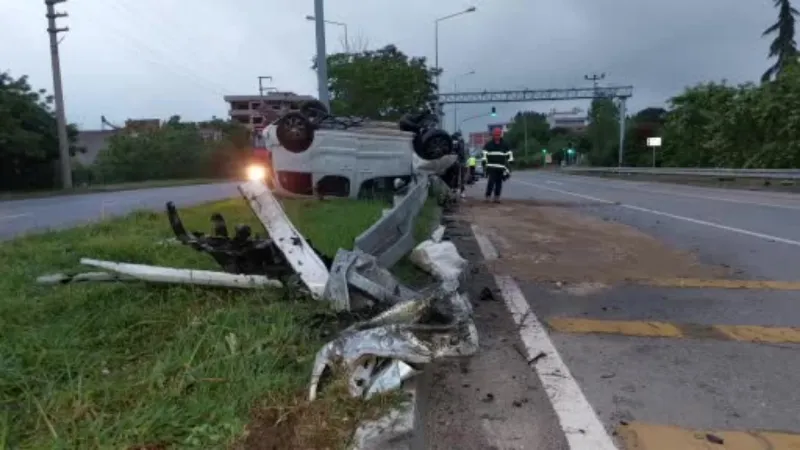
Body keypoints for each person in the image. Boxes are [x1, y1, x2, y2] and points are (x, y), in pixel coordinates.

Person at [482, 127, 513, 202]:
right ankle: (488, 196)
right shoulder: (488, 145)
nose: (497, 137)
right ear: (493, 135)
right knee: (491, 182)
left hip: (501, 167)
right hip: (491, 167)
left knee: (499, 183)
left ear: (500, 135)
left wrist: (509, 165)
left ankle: (497, 197)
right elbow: (484, 156)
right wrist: (484, 166)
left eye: (498, 135)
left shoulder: (505, 144)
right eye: (495, 135)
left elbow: (509, 155)